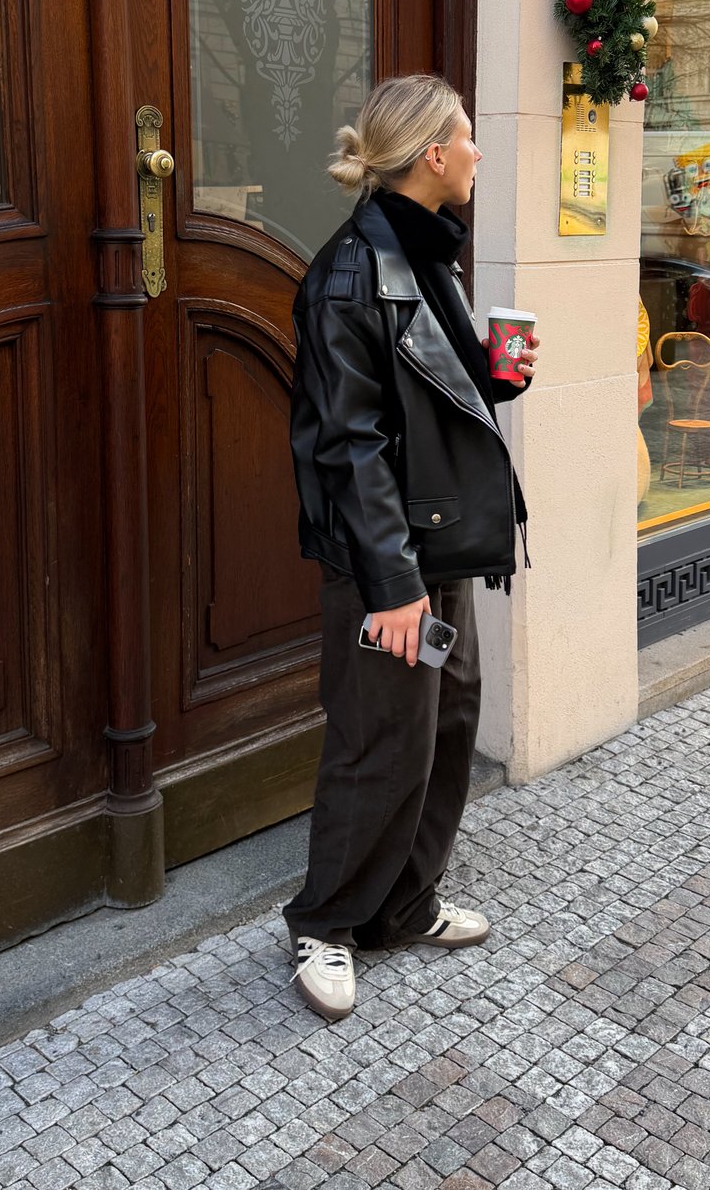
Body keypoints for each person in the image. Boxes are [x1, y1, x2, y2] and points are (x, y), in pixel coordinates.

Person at [285, 74, 539, 1019]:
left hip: (441, 545)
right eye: (469, 138)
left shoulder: (427, 254)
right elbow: (351, 449)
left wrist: (495, 382)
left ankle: (402, 906)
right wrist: (393, 586)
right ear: (433, 154)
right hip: (387, 562)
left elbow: (429, 395)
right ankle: (325, 922)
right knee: (378, 737)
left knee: (448, 722)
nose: (478, 153)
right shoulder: (350, 275)